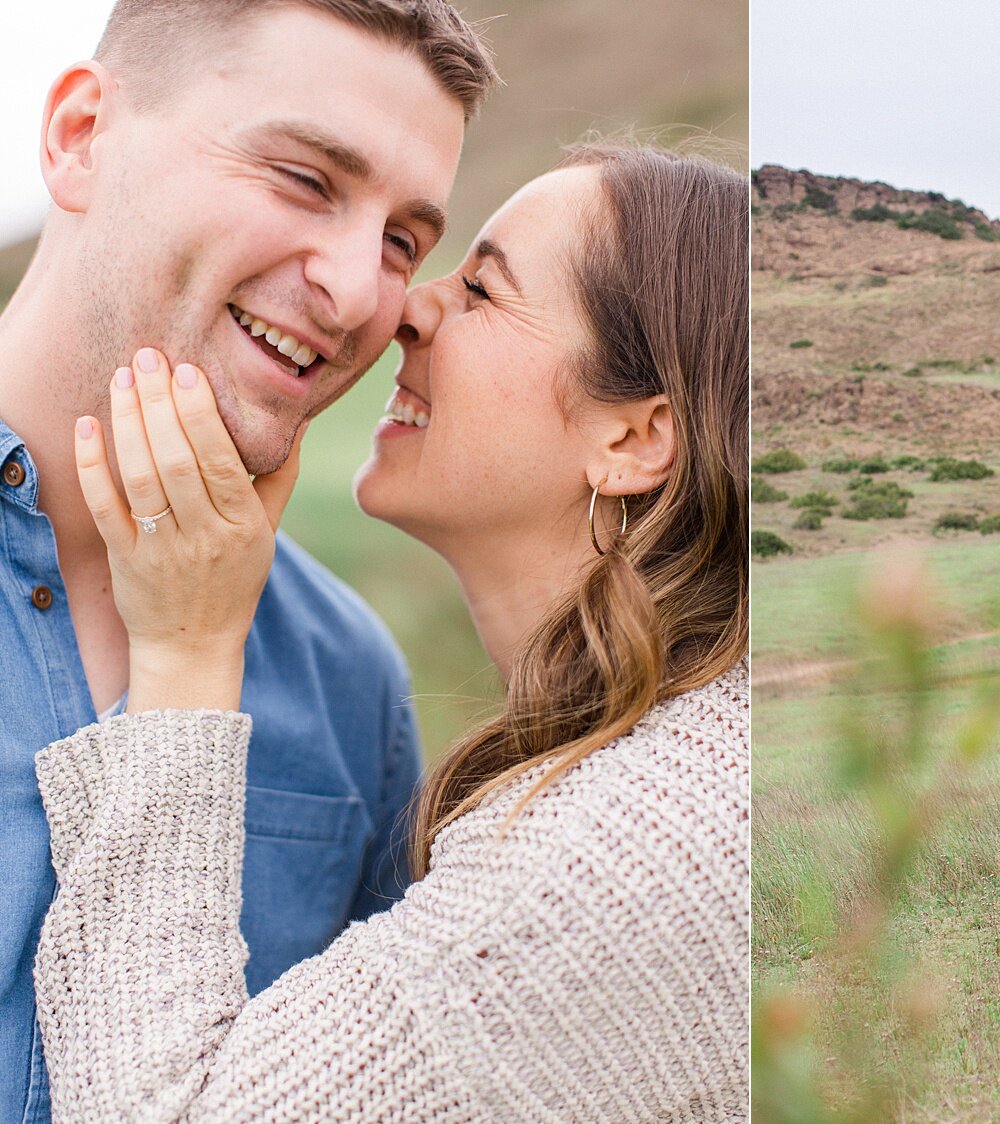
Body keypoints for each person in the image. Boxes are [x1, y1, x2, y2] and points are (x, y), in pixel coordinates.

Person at [32, 143, 750, 1120]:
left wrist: (188, 653)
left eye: (485, 291)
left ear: (629, 438)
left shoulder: (610, 867)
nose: (408, 306)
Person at [0, 2, 495, 1117]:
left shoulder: (351, 681)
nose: (361, 289)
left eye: (405, 240)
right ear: (81, 136)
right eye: (306, 179)